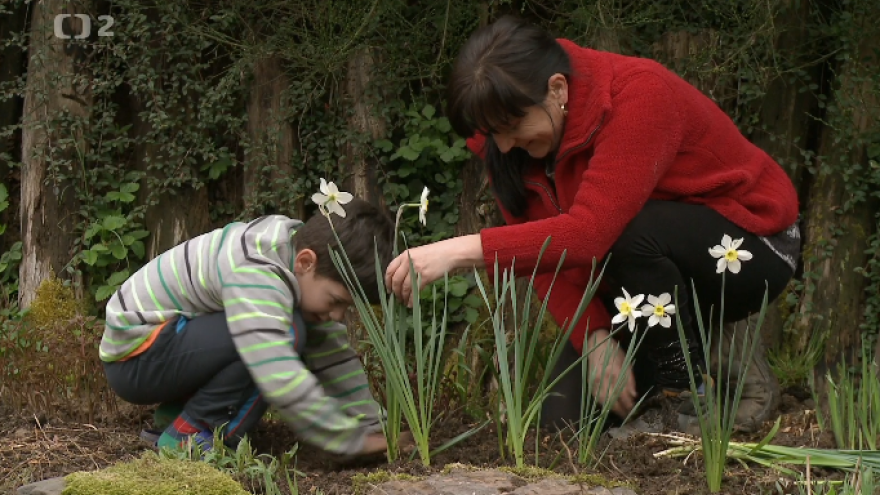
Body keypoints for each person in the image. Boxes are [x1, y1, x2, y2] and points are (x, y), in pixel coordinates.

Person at [385, 16, 800, 433]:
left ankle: (688, 399)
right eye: (493, 134)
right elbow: (543, 259)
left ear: (558, 89)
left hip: (750, 246)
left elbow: (589, 234)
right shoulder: (503, 135)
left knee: (628, 232)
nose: (505, 145)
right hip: (641, 277)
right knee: (565, 428)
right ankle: (693, 362)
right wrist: (593, 336)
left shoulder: (640, 96)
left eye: (511, 129)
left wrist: (458, 251)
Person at [101, 196, 397, 458]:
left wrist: (375, 429)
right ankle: (190, 435)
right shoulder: (257, 268)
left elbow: (335, 358)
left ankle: (176, 416)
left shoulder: (293, 260)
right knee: (283, 335)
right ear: (306, 262)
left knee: (291, 328)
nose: (337, 315)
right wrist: (344, 438)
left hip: (164, 348)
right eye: (336, 301)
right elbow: (275, 369)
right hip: (137, 356)